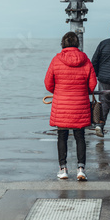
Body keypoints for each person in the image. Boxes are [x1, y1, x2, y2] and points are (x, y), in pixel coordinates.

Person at [44, 32, 97, 181]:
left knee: (62, 136)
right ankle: (81, 169)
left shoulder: (56, 60)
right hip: (80, 105)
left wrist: (60, 89)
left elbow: (48, 84)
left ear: (63, 43)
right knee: (80, 136)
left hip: (61, 105)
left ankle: (63, 169)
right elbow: (92, 85)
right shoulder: (86, 60)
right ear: (77, 44)